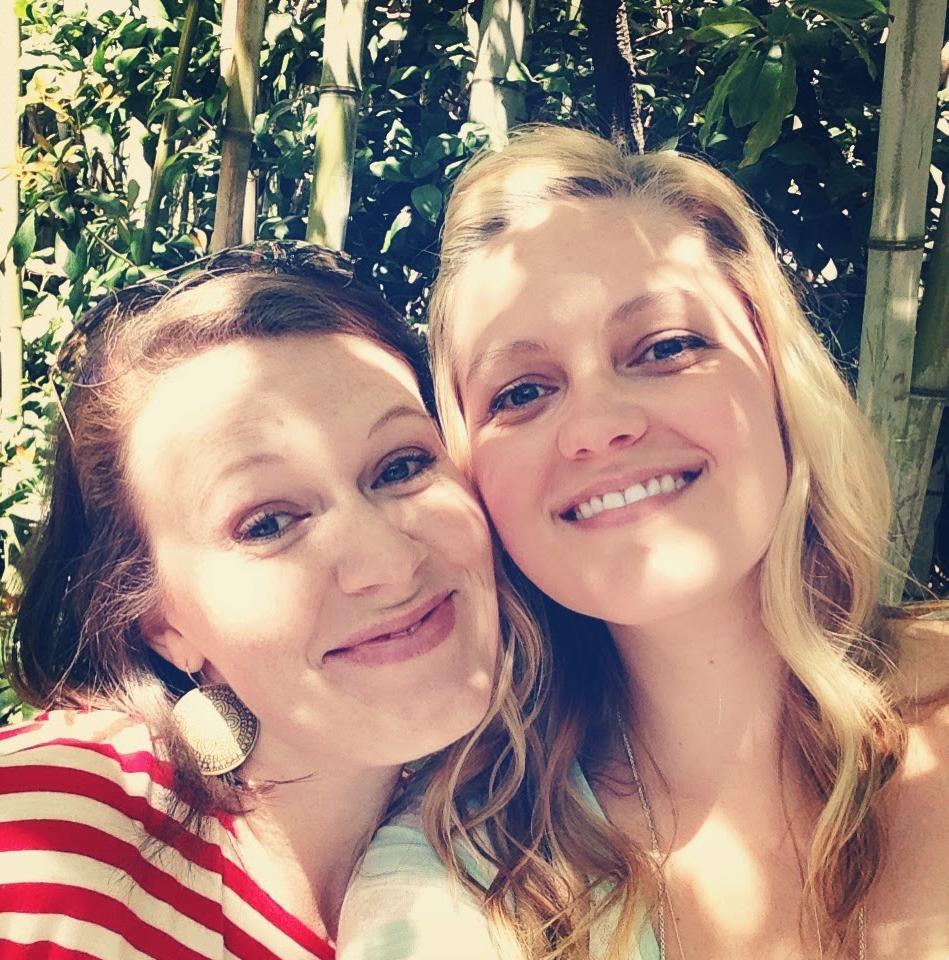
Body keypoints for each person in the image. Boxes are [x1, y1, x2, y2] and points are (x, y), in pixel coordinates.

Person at [339, 126, 949, 960]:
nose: (597, 426)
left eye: (665, 347)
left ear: (778, 374)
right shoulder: (460, 880)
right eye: (521, 392)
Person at [0, 243, 541, 960]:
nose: (389, 562)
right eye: (268, 524)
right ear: (162, 623)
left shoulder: (529, 849)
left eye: (402, 466)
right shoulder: (49, 829)